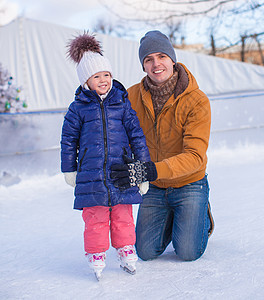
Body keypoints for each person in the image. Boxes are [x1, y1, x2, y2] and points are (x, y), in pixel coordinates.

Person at [111, 30, 214, 262]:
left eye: (162, 56)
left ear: (172, 60)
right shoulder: (131, 96)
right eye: (149, 59)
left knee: (187, 252)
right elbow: (117, 132)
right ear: (144, 66)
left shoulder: (196, 101)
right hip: (154, 186)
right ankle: (173, 217)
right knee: (145, 252)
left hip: (189, 182)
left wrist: (151, 169)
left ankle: (199, 214)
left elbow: (195, 156)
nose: (156, 64)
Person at [60, 33, 156, 280]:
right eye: (96, 76)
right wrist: (68, 168)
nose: (103, 80)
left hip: (121, 171)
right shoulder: (77, 108)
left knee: (123, 214)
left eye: (106, 75)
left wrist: (143, 170)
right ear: (86, 81)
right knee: (95, 217)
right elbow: (68, 140)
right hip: (91, 175)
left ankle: (125, 249)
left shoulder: (122, 103)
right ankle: (96, 253)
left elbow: (137, 137)